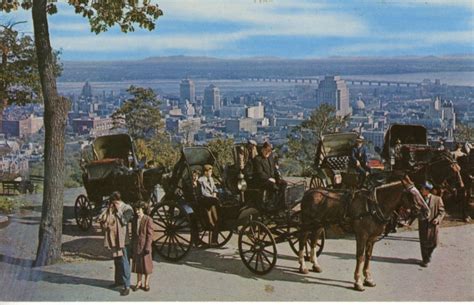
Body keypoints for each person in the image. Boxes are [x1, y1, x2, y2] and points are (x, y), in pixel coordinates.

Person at [98, 191, 134, 296]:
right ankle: (118, 281)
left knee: (124, 262)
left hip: (124, 240)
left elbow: (124, 221)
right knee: (117, 261)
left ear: (118, 201)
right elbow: (105, 218)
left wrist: (118, 211)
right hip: (114, 239)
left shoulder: (128, 208)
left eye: (115, 203)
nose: (113, 205)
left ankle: (127, 286)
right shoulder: (111, 207)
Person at [418, 181, 446, 268]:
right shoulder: (419, 198)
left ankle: (428, 255)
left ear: (427, 190)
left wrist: (437, 219)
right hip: (422, 223)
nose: (421, 190)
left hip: (432, 225)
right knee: (423, 242)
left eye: (422, 189)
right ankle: (425, 260)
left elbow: (442, 212)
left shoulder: (437, 199)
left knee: (434, 243)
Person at [253, 141, 287, 209]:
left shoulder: (270, 158)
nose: (267, 153)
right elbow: (259, 173)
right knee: (273, 186)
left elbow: (274, 170)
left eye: (269, 152)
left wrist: (278, 178)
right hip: (262, 180)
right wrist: (268, 178)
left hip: (272, 178)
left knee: (283, 184)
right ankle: (270, 204)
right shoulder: (257, 159)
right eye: (266, 151)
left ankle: (281, 203)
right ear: (262, 150)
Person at [131, 201, 154, 292]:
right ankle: (139, 282)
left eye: (138, 210)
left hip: (145, 246)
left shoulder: (148, 219)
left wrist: (148, 247)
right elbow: (133, 234)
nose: (137, 212)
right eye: (136, 210)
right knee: (138, 265)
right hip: (137, 246)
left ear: (143, 209)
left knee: (147, 266)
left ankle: (146, 283)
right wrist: (132, 246)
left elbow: (150, 235)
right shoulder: (134, 220)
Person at [198, 164, 221, 245]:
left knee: (217, 220)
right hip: (206, 203)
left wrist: (215, 193)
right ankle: (213, 239)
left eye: (211, 172)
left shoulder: (211, 179)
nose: (211, 173)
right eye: (210, 172)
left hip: (212, 202)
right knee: (211, 222)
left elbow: (214, 188)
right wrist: (212, 197)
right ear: (205, 172)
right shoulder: (200, 180)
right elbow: (203, 193)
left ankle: (214, 240)